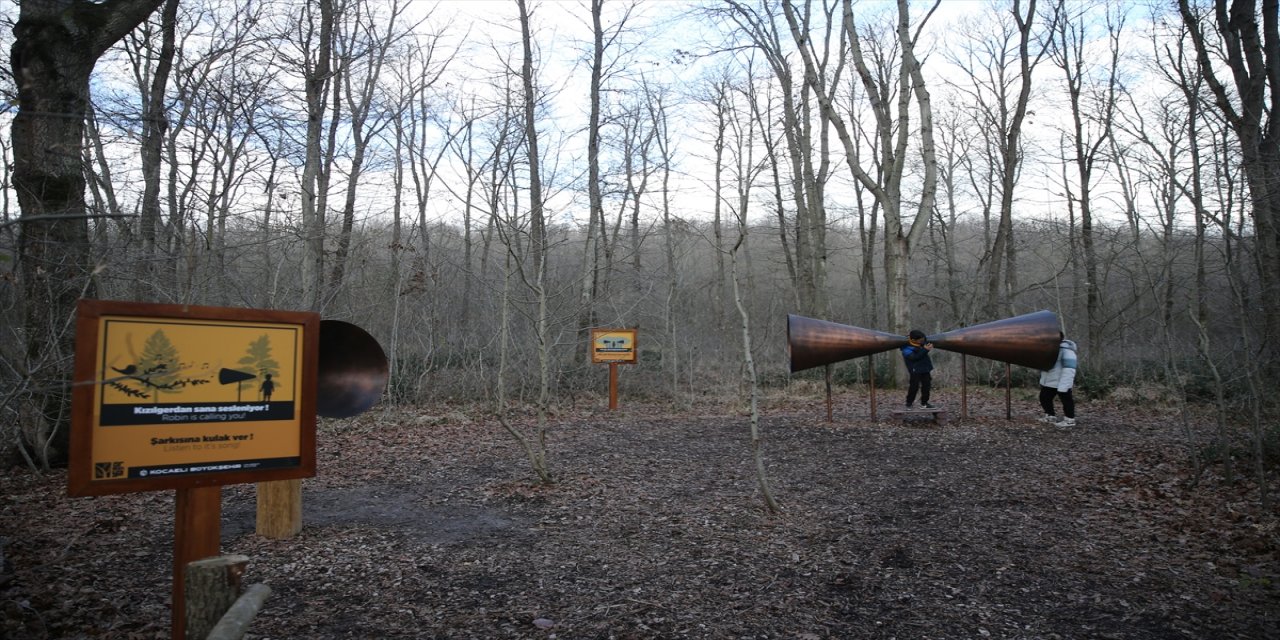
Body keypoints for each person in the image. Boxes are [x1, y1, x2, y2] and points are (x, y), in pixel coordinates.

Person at [1038, 332, 1078, 426]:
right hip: (1051, 382)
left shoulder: (1067, 351)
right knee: (1044, 397)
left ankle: (1069, 420)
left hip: (1062, 382)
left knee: (1066, 400)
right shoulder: (1053, 350)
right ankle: (1050, 416)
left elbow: (1069, 369)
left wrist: (1064, 385)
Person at [900, 329, 935, 409]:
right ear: (913, 340)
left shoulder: (922, 342)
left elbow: (925, 342)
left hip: (925, 368)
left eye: (923, 339)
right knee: (914, 387)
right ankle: (909, 403)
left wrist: (926, 348)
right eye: (920, 340)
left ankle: (924, 403)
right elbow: (914, 358)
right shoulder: (906, 348)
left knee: (927, 386)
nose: (922, 341)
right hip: (915, 370)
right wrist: (925, 350)